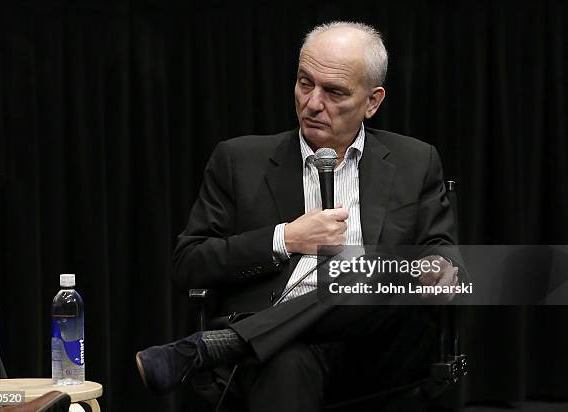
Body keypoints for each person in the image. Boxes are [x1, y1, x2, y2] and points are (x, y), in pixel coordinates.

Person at [136, 21, 462, 411]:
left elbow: (443, 253)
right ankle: (242, 341)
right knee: (284, 364)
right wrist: (285, 239)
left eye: (334, 91)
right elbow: (189, 263)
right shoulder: (239, 160)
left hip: (383, 346)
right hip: (281, 345)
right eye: (305, 83)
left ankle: (222, 344)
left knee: (382, 270)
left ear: (372, 102)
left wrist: (439, 269)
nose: (312, 103)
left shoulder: (416, 161)